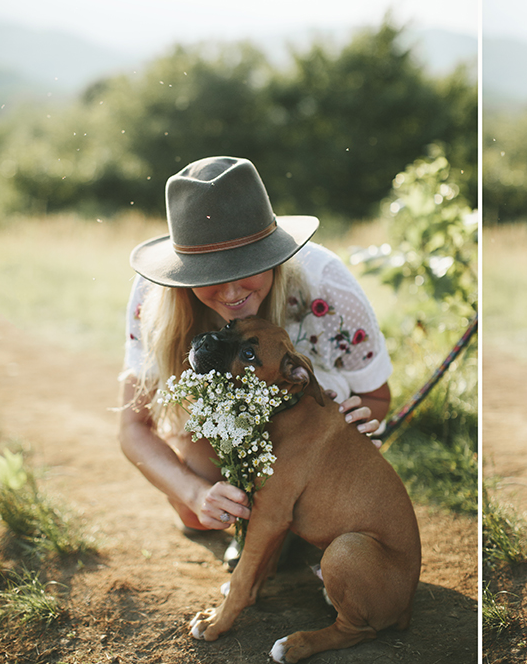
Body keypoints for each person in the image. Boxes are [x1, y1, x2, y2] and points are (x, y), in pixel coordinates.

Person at [118, 156, 392, 544]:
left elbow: (378, 396)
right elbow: (132, 426)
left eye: (246, 266)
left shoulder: (327, 284)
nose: (231, 293)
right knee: (195, 515)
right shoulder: (154, 299)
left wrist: (356, 422)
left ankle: (291, 526)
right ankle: (239, 517)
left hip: (311, 449)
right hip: (219, 443)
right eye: (209, 276)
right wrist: (194, 494)